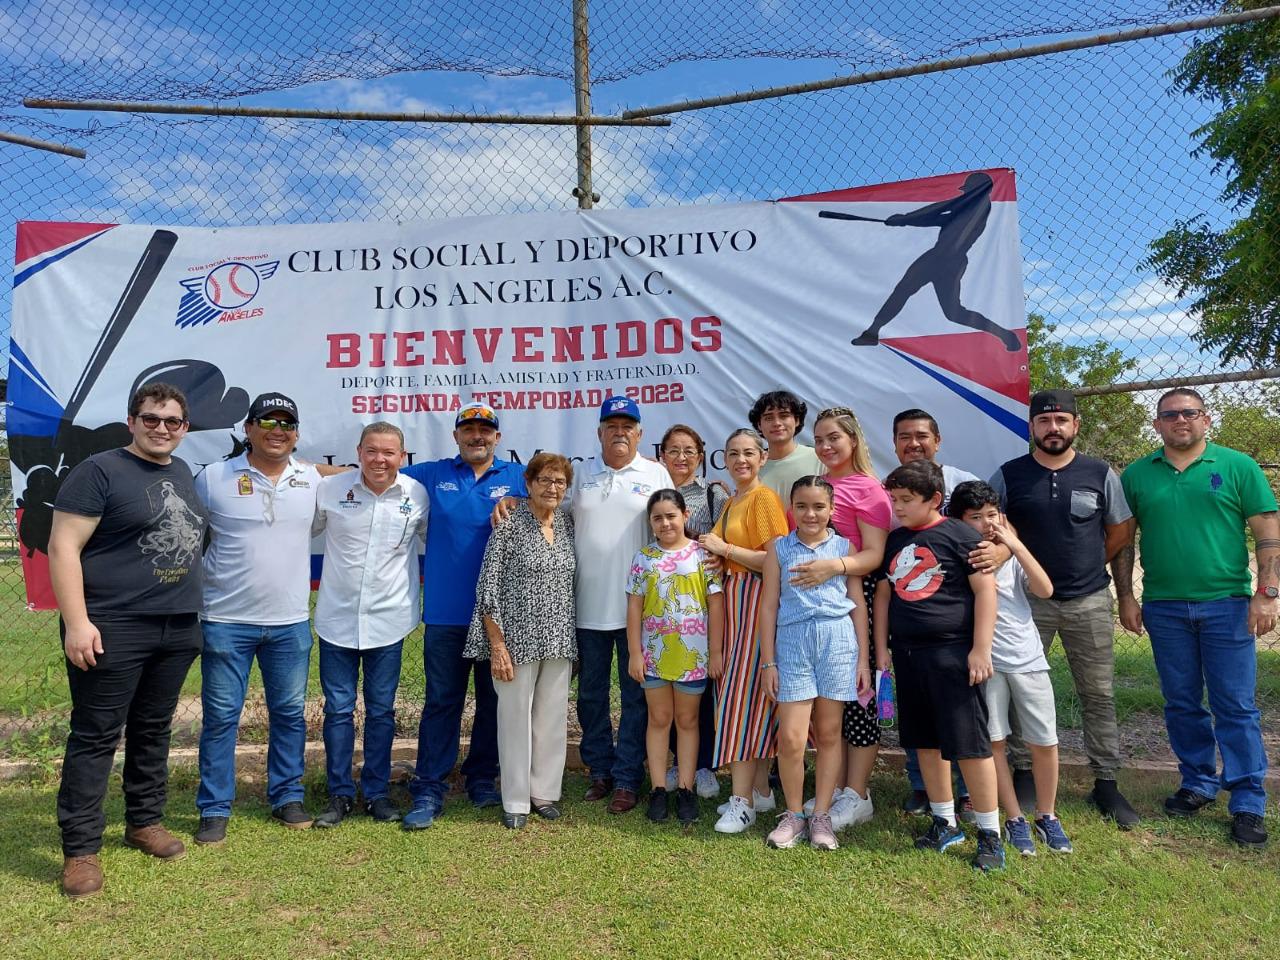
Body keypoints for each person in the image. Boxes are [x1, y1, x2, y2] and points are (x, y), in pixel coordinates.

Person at [49, 383, 208, 898]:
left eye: (173, 421)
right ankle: (80, 850)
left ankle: (144, 821)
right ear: (132, 419)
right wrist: (77, 622)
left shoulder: (179, 472)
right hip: (112, 625)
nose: (162, 428)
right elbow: (63, 547)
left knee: (153, 728)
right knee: (96, 735)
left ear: (185, 428)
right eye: (152, 418)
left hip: (177, 624)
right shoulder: (98, 471)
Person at [1118, 388, 1278, 848]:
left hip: (1227, 604)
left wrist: (1266, 594)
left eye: (1189, 413)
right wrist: (1127, 596)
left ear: (1206, 419)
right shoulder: (1137, 475)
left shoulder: (1237, 466)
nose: (1180, 421)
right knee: (1182, 702)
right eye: (1170, 415)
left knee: (1235, 705)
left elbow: (1268, 533)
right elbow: (1124, 542)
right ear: (1158, 425)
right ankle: (1198, 783)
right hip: (1165, 607)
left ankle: (1248, 801)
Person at [990, 389, 1141, 829]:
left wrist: (1094, 568)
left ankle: (1106, 782)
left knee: (1098, 694)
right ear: (1032, 427)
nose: (1052, 428)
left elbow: (1120, 531)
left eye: (1061, 421)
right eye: (1044, 421)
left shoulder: (1099, 473)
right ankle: (1023, 773)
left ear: (1075, 425)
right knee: (1020, 691)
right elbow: (994, 527)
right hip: (1027, 605)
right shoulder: (1010, 475)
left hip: (1089, 600)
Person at [194, 392, 337, 842]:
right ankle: (215, 807)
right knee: (220, 717)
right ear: (248, 429)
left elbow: (362, 475)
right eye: (267, 423)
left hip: (289, 621)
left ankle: (287, 797)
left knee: (290, 714)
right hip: (224, 619)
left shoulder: (312, 479)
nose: (277, 431)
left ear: (296, 434)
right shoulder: (214, 477)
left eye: (287, 425)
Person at [400, 404, 528, 829]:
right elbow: (371, 474)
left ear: (498, 438)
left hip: (500, 617)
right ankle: (429, 786)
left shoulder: (518, 478)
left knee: (494, 703)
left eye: (486, 430)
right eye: (469, 429)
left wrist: (516, 500)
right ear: (456, 436)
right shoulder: (433, 474)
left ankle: (482, 779)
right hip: (445, 615)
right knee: (442, 703)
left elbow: (556, 498)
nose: (478, 436)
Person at [876, 461, 1004, 872]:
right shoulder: (895, 540)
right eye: (893, 499)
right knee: (926, 743)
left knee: (969, 744)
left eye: (907, 500)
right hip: (909, 655)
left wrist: (980, 648)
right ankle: (944, 821)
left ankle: (989, 832)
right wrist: (883, 650)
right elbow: (883, 596)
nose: (898, 507)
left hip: (953, 654)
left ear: (934, 500)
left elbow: (985, 592)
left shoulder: (961, 535)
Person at [310, 422, 429, 829]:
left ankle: (377, 792)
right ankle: (340, 794)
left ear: (402, 455)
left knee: (381, 712)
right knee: (339, 711)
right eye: (372, 451)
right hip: (336, 619)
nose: (380, 459)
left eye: (389, 452)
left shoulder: (417, 495)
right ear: (359, 451)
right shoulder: (329, 489)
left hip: (389, 620)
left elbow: (436, 540)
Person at [949, 481, 1073, 856]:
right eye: (976, 518)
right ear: (958, 521)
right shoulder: (957, 554)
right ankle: (1015, 817)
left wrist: (1014, 546)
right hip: (985, 663)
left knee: (1044, 740)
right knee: (995, 741)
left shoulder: (1009, 555)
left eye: (992, 515)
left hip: (1027, 657)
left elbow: (1045, 589)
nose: (987, 524)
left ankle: (1047, 815)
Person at [570, 396, 674, 813]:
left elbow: (670, 532)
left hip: (639, 611)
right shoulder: (581, 474)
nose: (619, 431)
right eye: (611, 425)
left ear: (639, 433)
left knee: (636, 699)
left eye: (627, 425)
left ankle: (629, 777)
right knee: (591, 696)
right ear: (599, 433)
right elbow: (548, 510)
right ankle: (600, 771)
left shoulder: (655, 472)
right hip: (586, 609)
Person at [787, 406, 887, 829]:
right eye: (820, 439)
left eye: (834, 438)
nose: (826, 446)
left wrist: (834, 568)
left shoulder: (869, 489)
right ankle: (838, 789)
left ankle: (858, 792)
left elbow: (874, 555)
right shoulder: (820, 488)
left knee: (858, 696)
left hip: (854, 595)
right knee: (833, 704)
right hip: (814, 606)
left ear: (853, 441)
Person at [466, 453, 577, 830]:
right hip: (516, 640)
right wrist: (497, 644)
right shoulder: (510, 523)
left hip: (559, 636)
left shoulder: (566, 523)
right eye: (544, 480)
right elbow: (488, 585)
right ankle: (515, 799)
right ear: (527, 484)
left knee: (550, 719)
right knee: (514, 720)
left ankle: (544, 792)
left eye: (559, 481)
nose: (552, 487)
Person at [758, 476, 869, 851]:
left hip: (837, 643)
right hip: (792, 645)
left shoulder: (844, 548)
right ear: (792, 509)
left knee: (828, 734)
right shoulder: (779, 548)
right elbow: (769, 605)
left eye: (819, 506)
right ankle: (793, 814)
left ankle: (821, 814)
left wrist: (863, 661)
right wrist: (768, 662)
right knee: (791, 738)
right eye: (802, 506)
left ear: (832, 509)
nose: (810, 513)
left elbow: (858, 606)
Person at [890, 407, 981, 815]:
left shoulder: (964, 482)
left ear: (937, 440)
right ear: (894, 444)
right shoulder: (887, 491)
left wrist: (993, 551)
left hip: (953, 633)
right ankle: (924, 789)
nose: (913, 443)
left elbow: (989, 533)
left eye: (921, 435)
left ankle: (967, 795)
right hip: (907, 626)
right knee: (919, 719)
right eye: (904, 437)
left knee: (961, 722)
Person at [699, 428, 790, 833]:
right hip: (736, 599)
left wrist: (727, 552)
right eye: (733, 453)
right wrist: (722, 559)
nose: (741, 460)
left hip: (755, 601)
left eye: (748, 453)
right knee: (750, 695)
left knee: (740, 698)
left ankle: (742, 802)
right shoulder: (735, 499)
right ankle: (759, 791)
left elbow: (777, 559)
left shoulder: (763, 498)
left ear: (763, 457)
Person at [626, 489, 724, 825]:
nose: (665, 522)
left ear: (684, 515)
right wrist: (635, 653)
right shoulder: (644, 558)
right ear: (651, 523)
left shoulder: (702, 555)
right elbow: (634, 608)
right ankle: (657, 789)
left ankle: (685, 788)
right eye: (657, 517)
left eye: (671, 515)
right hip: (654, 655)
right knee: (658, 720)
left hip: (693, 656)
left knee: (687, 722)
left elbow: (716, 605)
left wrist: (716, 652)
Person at [847, 171, 1021, 352]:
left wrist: (905, 218)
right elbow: (936, 218)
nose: (964, 194)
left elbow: (938, 208)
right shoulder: (965, 210)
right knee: (904, 291)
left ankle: (1006, 334)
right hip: (941, 257)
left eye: (968, 190)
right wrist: (904, 221)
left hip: (947, 260)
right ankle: (872, 332)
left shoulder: (978, 206)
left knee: (952, 312)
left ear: (978, 191)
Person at [658, 424, 729, 799]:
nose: (681, 457)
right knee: (668, 684)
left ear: (701, 456)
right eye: (674, 450)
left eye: (689, 451)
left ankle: (704, 765)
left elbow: (724, 543)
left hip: (702, 603)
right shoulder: (651, 492)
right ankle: (675, 761)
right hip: (663, 605)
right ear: (662, 455)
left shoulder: (712, 493)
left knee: (701, 691)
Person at [749, 390, 823, 506]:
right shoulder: (753, 466)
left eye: (784, 416)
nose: (777, 423)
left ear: (797, 420)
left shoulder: (819, 458)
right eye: (769, 418)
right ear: (759, 424)